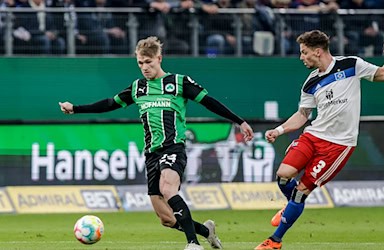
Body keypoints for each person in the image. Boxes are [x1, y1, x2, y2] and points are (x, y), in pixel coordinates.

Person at [59, 36, 254, 250]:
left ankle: (193, 244)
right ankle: (206, 231)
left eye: (148, 62)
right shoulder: (137, 88)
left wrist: (240, 121)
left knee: (168, 188)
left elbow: (210, 103)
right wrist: (76, 108)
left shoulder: (179, 83)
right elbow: (109, 104)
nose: (144, 67)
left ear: (159, 58)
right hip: (151, 154)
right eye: (140, 63)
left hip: (173, 147)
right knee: (167, 219)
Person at [254, 30, 384, 250]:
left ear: (317, 51)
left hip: (338, 145)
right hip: (313, 135)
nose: (301, 57)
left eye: (304, 53)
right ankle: (291, 206)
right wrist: (279, 130)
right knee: (283, 176)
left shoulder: (351, 65)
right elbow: (302, 115)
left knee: (301, 192)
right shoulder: (310, 82)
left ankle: (275, 240)